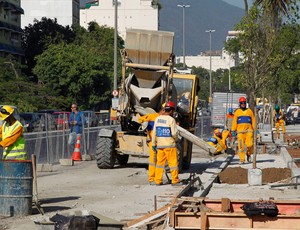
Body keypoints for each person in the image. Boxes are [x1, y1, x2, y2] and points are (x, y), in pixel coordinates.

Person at [152, 101, 182, 186]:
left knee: (159, 164)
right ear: (171, 111)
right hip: (170, 145)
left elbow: (154, 132)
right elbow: (174, 133)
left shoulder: (157, 119)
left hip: (160, 145)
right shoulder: (171, 120)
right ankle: (175, 180)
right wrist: (176, 140)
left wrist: (154, 144)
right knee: (173, 164)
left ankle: (158, 180)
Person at [138, 104, 165, 185]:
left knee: (160, 161)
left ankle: (158, 178)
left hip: (162, 142)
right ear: (162, 110)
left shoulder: (167, 119)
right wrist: (144, 123)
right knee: (153, 160)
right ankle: (151, 178)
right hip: (152, 142)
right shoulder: (152, 116)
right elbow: (140, 119)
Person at [231, 96, 256, 164]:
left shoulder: (249, 111)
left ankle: (248, 154)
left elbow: (253, 121)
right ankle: (242, 159)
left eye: (244, 103)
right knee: (241, 146)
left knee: (250, 144)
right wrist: (233, 130)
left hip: (249, 131)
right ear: (240, 104)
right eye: (242, 103)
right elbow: (234, 122)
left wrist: (255, 129)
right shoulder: (237, 112)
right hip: (240, 132)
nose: (243, 104)